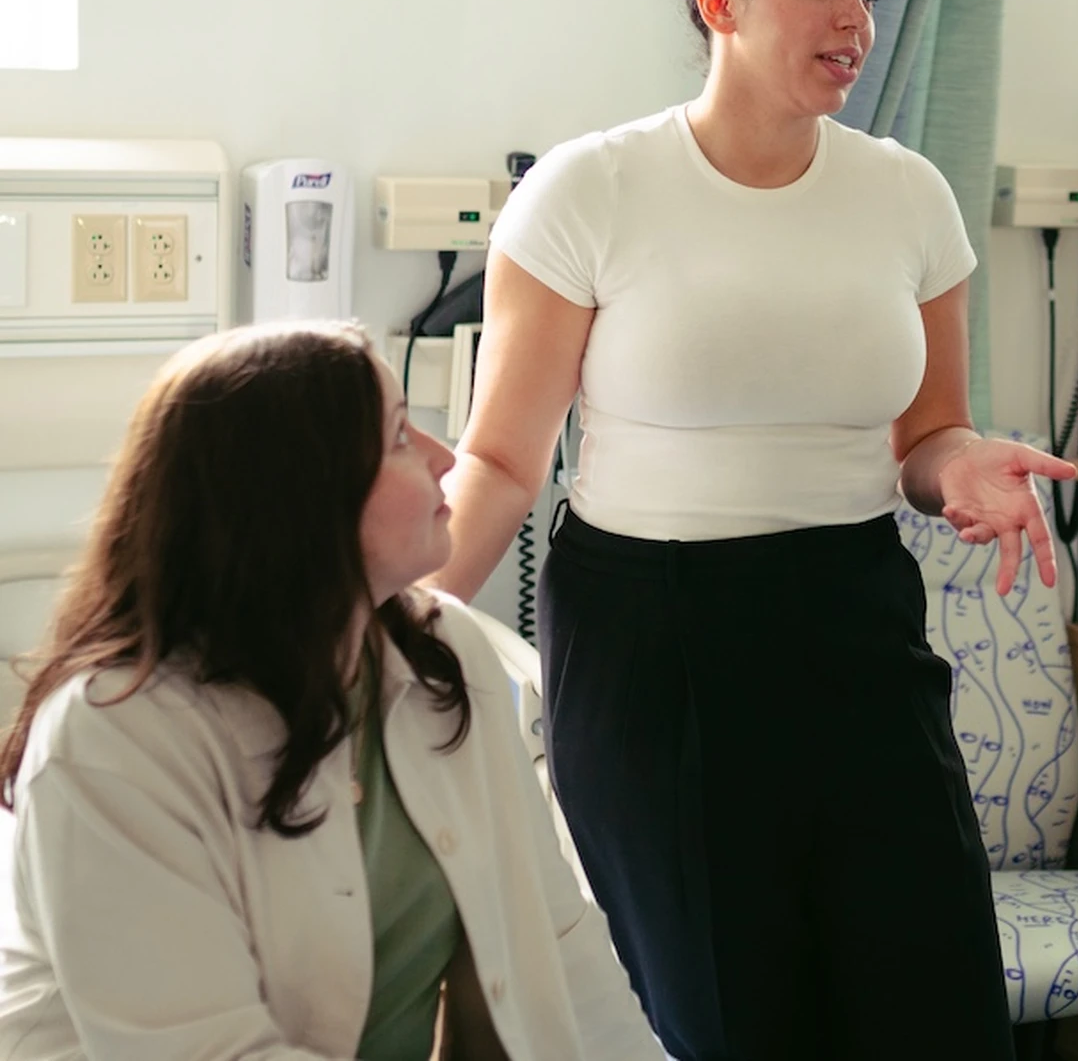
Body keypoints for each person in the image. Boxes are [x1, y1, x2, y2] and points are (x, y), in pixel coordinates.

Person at [429, 0, 1069, 1060]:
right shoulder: (592, 189)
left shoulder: (907, 197)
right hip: (653, 640)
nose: (855, 19)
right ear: (718, 3)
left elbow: (926, 430)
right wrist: (391, 620)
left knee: (928, 1001)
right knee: (725, 1015)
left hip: (855, 621)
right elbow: (502, 464)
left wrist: (961, 467)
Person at [0, 322, 660, 1060]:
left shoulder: (448, 656)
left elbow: (561, 947)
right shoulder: (114, 742)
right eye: (402, 438)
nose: (447, 460)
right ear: (295, 501)